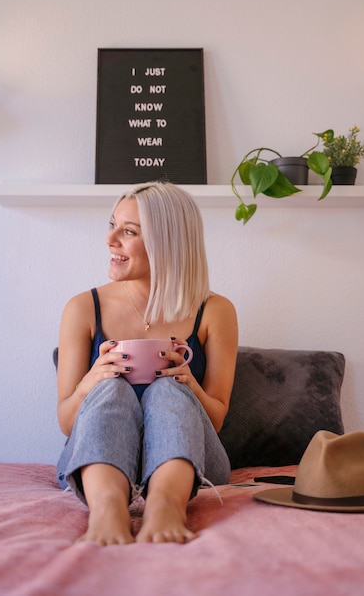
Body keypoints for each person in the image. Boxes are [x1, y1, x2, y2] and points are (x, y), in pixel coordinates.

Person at [56, 181, 238, 545]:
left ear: (166, 244)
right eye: (112, 225)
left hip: (194, 460)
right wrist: (91, 382)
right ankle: (108, 506)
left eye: (128, 232)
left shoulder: (215, 310)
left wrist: (187, 382)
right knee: (111, 389)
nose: (110, 241)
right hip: (93, 455)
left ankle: (166, 504)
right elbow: (65, 423)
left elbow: (215, 419)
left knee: (168, 388)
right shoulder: (82, 308)